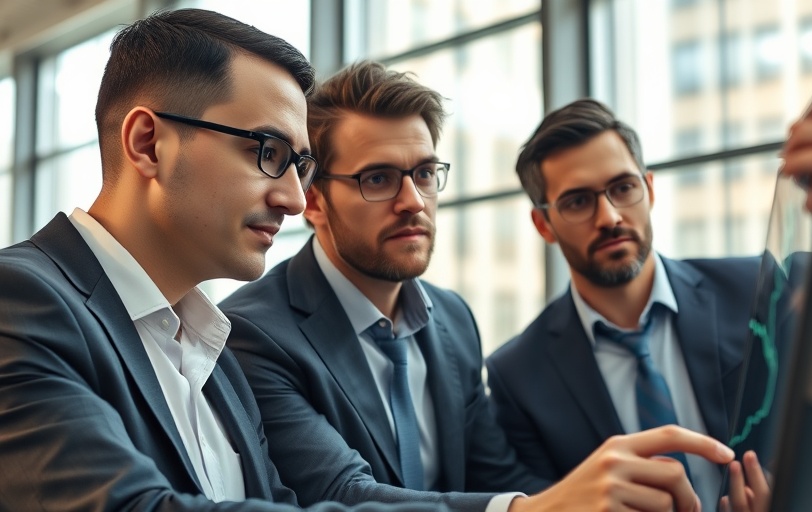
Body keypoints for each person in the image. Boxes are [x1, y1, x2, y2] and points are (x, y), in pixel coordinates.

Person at [221, 61, 737, 512]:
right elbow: (342, 495)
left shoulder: (452, 320)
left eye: (424, 174)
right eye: (377, 179)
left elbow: (496, 477)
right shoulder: (254, 333)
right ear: (313, 202)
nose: (413, 202)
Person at [0, 8, 459, 511]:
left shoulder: (216, 359)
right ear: (148, 144)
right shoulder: (17, 300)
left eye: (299, 167)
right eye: (267, 152)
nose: (296, 200)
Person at [484, 98, 768, 510]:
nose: (610, 217)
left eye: (623, 188)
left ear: (649, 189)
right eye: (578, 201)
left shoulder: (754, 291)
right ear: (543, 224)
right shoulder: (517, 376)